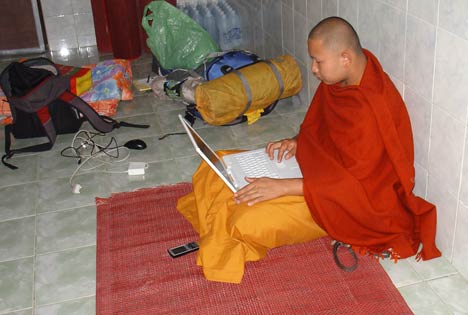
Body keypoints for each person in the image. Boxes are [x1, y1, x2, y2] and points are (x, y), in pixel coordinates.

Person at [177, 16, 441, 284]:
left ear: (345, 58)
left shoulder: (371, 106)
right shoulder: (342, 79)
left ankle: (222, 230)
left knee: (244, 218)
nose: (313, 69)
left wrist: (282, 187)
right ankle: (218, 220)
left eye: (318, 61)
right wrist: (297, 141)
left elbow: (357, 186)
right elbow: (321, 127)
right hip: (318, 174)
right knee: (219, 164)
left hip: (349, 203)